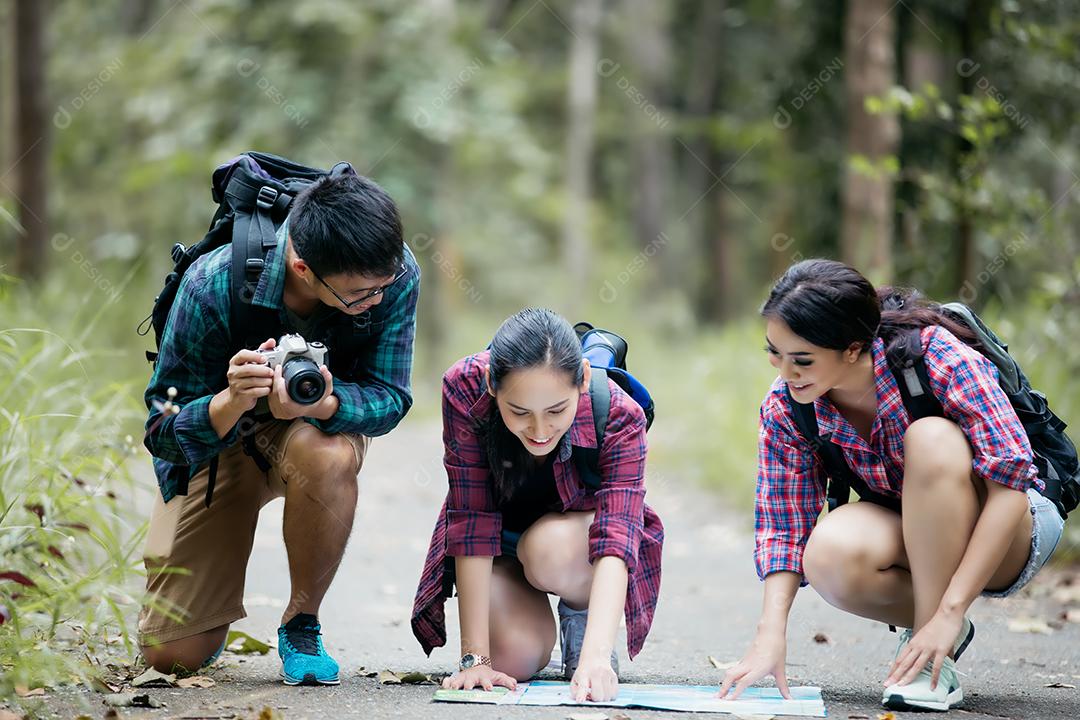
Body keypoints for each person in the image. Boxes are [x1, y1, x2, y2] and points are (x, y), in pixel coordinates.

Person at [721, 259, 1064, 712]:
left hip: (1010, 525)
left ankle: (929, 656)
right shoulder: (788, 406)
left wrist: (948, 610)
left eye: (802, 360)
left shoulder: (936, 356)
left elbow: (1010, 487)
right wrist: (770, 636)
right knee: (827, 554)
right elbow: (783, 528)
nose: (786, 372)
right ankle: (936, 631)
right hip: (912, 528)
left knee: (930, 435)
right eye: (774, 353)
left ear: (852, 348)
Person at [139, 172, 420, 686]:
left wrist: (326, 402)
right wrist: (228, 402)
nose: (376, 301)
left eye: (382, 288)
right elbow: (160, 425)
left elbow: (391, 397)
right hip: (220, 441)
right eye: (359, 296)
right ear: (302, 267)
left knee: (327, 454)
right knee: (171, 655)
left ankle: (301, 622)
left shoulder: (391, 273)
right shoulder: (213, 283)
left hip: (313, 433)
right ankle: (212, 610)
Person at [411, 308, 664, 702]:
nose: (540, 430)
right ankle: (526, 628)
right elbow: (471, 516)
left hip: (572, 547)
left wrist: (597, 656)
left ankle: (582, 622)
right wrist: (474, 660)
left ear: (582, 379)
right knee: (512, 659)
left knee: (548, 549)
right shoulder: (464, 386)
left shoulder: (618, 413)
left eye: (556, 411)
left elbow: (617, 537)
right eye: (520, 413)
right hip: (501, 545)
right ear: (494, 387)